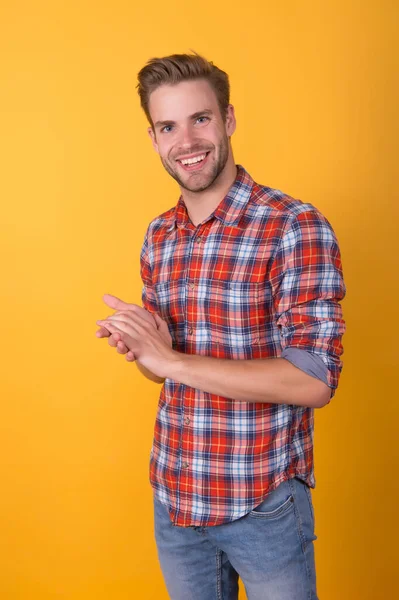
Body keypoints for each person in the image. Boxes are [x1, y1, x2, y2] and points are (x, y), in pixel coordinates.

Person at [96, 52, 346, 600]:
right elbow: (164, 375)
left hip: (259, 502)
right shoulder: (160, 235)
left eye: (200, 119)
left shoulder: (293, 225)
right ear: (154, 138)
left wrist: (173, 361)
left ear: (229, 120)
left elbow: (314, 380)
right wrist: (146, 352)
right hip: (176, 497)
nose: (186, 140)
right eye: (168, 126)